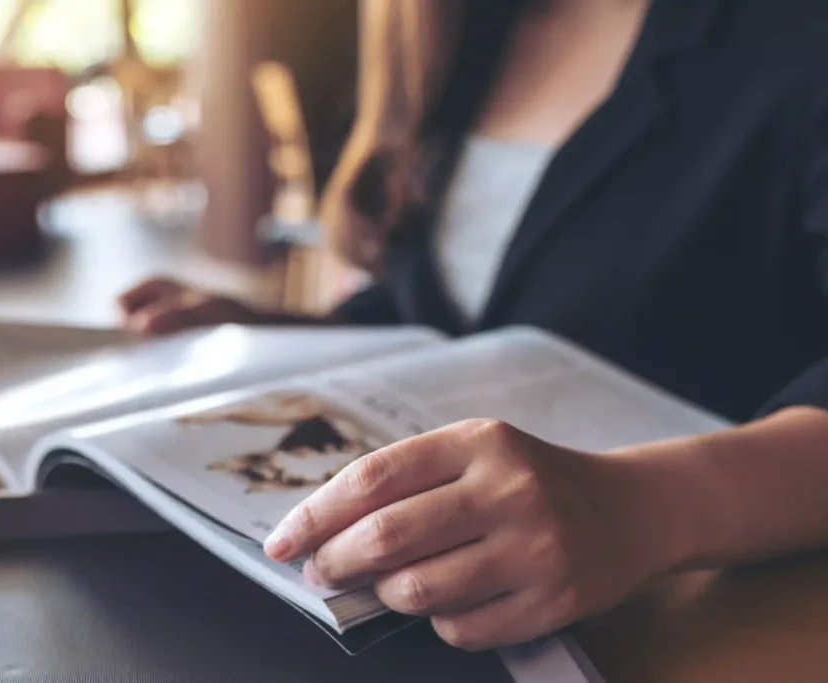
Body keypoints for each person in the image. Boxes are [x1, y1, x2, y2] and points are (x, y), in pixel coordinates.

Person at [119, 0, 828, 651]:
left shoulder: (792, 37)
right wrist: (273, 333)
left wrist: (643, 509)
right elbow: (439, 312)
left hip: (702, 630)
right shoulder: (461, 33)